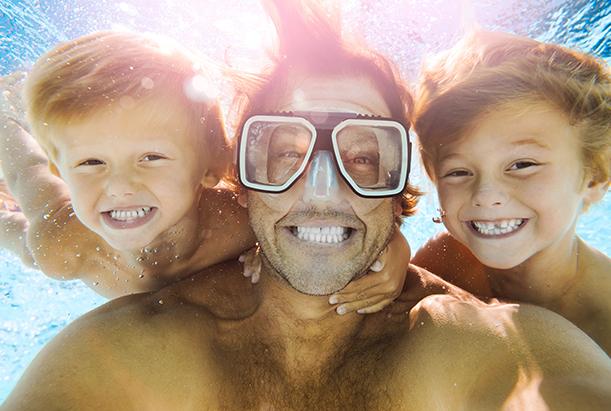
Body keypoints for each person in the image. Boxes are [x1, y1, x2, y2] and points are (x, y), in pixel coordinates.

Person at [3, 2, 611, 409]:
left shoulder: (496, 341)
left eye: (366, 156)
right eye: (283, 151)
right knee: (52, 239)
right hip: (78, 242)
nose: (323, 188)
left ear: (404, 188)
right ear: (240, 177)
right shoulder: (120, 353)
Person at [0, 30, 408, 312]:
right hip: (57, 223)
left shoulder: (238, 220)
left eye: (151, 158)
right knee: (28, 177)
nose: (119, 186)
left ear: (213, 167)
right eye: (91, 163)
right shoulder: (62, 247)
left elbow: (334, 215)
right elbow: (36, 178)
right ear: (67, 173)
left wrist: (395, 252)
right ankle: (8, 114)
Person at [411, 30, 611, 353]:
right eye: (458, 172)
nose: (486, 195)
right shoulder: (443, 262)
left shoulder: (603, 323)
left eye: (522, 165)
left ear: (595, 177)